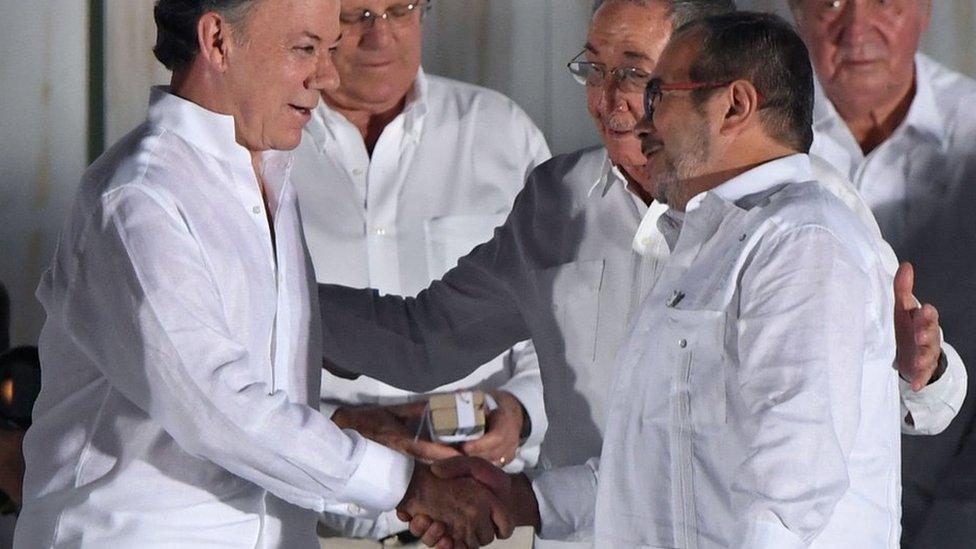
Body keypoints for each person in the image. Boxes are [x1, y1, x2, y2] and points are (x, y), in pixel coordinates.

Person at [13, 1, 511, 547]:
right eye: (304, 49)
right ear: (218, 41)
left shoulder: (267, 171)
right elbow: (215, 407)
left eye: (328, 49)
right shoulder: (141, 198)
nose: (328, 76)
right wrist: (407, 486)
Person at [420, 11, 901, 547]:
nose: (639, 119)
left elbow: (786, 498)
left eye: (659, 94)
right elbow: (659, 464)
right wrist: (524, 500)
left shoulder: (803, 241)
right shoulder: (705, 238)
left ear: (734, 106)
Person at [290, 0, 549, 545]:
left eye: (399, 10)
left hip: (489, 517)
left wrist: (519, 410)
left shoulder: (502, 133)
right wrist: (343, 426)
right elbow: (229, 352)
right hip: (319, 523)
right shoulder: (266, 145)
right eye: (356, 15)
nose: (379, 37)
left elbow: (558, 322)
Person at [788, 1, 976, 545]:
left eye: (884, 1)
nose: (856, 28)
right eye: (830, 2)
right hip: (805, 512)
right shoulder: (747, 138)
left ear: (925, 10)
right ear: (794, 12)